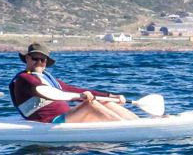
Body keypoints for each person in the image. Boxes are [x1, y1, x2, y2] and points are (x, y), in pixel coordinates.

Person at [8, 42, 139, 124]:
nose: (39, 62)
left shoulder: (49, 79)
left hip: (68, 116)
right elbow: (43, 90)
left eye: (43, 60)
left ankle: (136, 123)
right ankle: (124, 127)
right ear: (27, 59)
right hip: (50, 122)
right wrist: (80, 98)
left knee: (104, 101)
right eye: (35, 58)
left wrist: (111, 96)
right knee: (90, 104)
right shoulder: (24, 79)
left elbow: (74, 90)